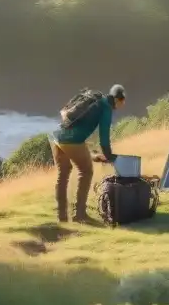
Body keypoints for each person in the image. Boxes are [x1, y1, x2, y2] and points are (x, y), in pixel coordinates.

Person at [49, 84, 126, 223]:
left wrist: (95, 156)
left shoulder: (95, 99)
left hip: (57, 137)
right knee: (86, 172)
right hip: (72, 140)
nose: (123, 104)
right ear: (119, 100)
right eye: (123, 101)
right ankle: (80, 215)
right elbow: (104, 138)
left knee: (63, 173)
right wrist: (110, 157)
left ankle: (62, 217)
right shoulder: (106, 108)